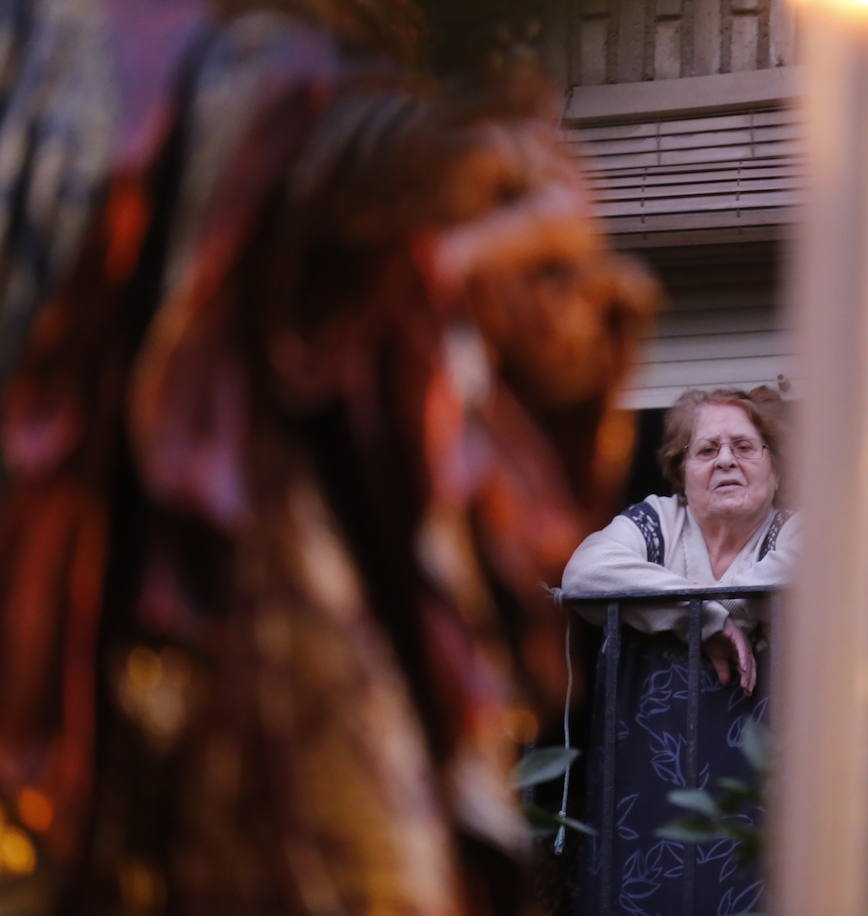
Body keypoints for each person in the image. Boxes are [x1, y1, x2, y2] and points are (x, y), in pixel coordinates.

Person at [0, 0, 655, 910]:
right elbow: (180, 126)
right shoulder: (108, 53)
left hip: (288, 566)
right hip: (182, 590)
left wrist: (493, 285)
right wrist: (396, 164)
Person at [561, 386, 798, 916]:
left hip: (765, 800)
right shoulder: (657, 522)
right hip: (649, 804)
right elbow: (582, 574)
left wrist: (684, 609)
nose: (726, 462)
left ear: (774, 466)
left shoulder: (794, 531)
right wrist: (706, 622)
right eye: (706, 450)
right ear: (682, 471)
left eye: (744, 446)